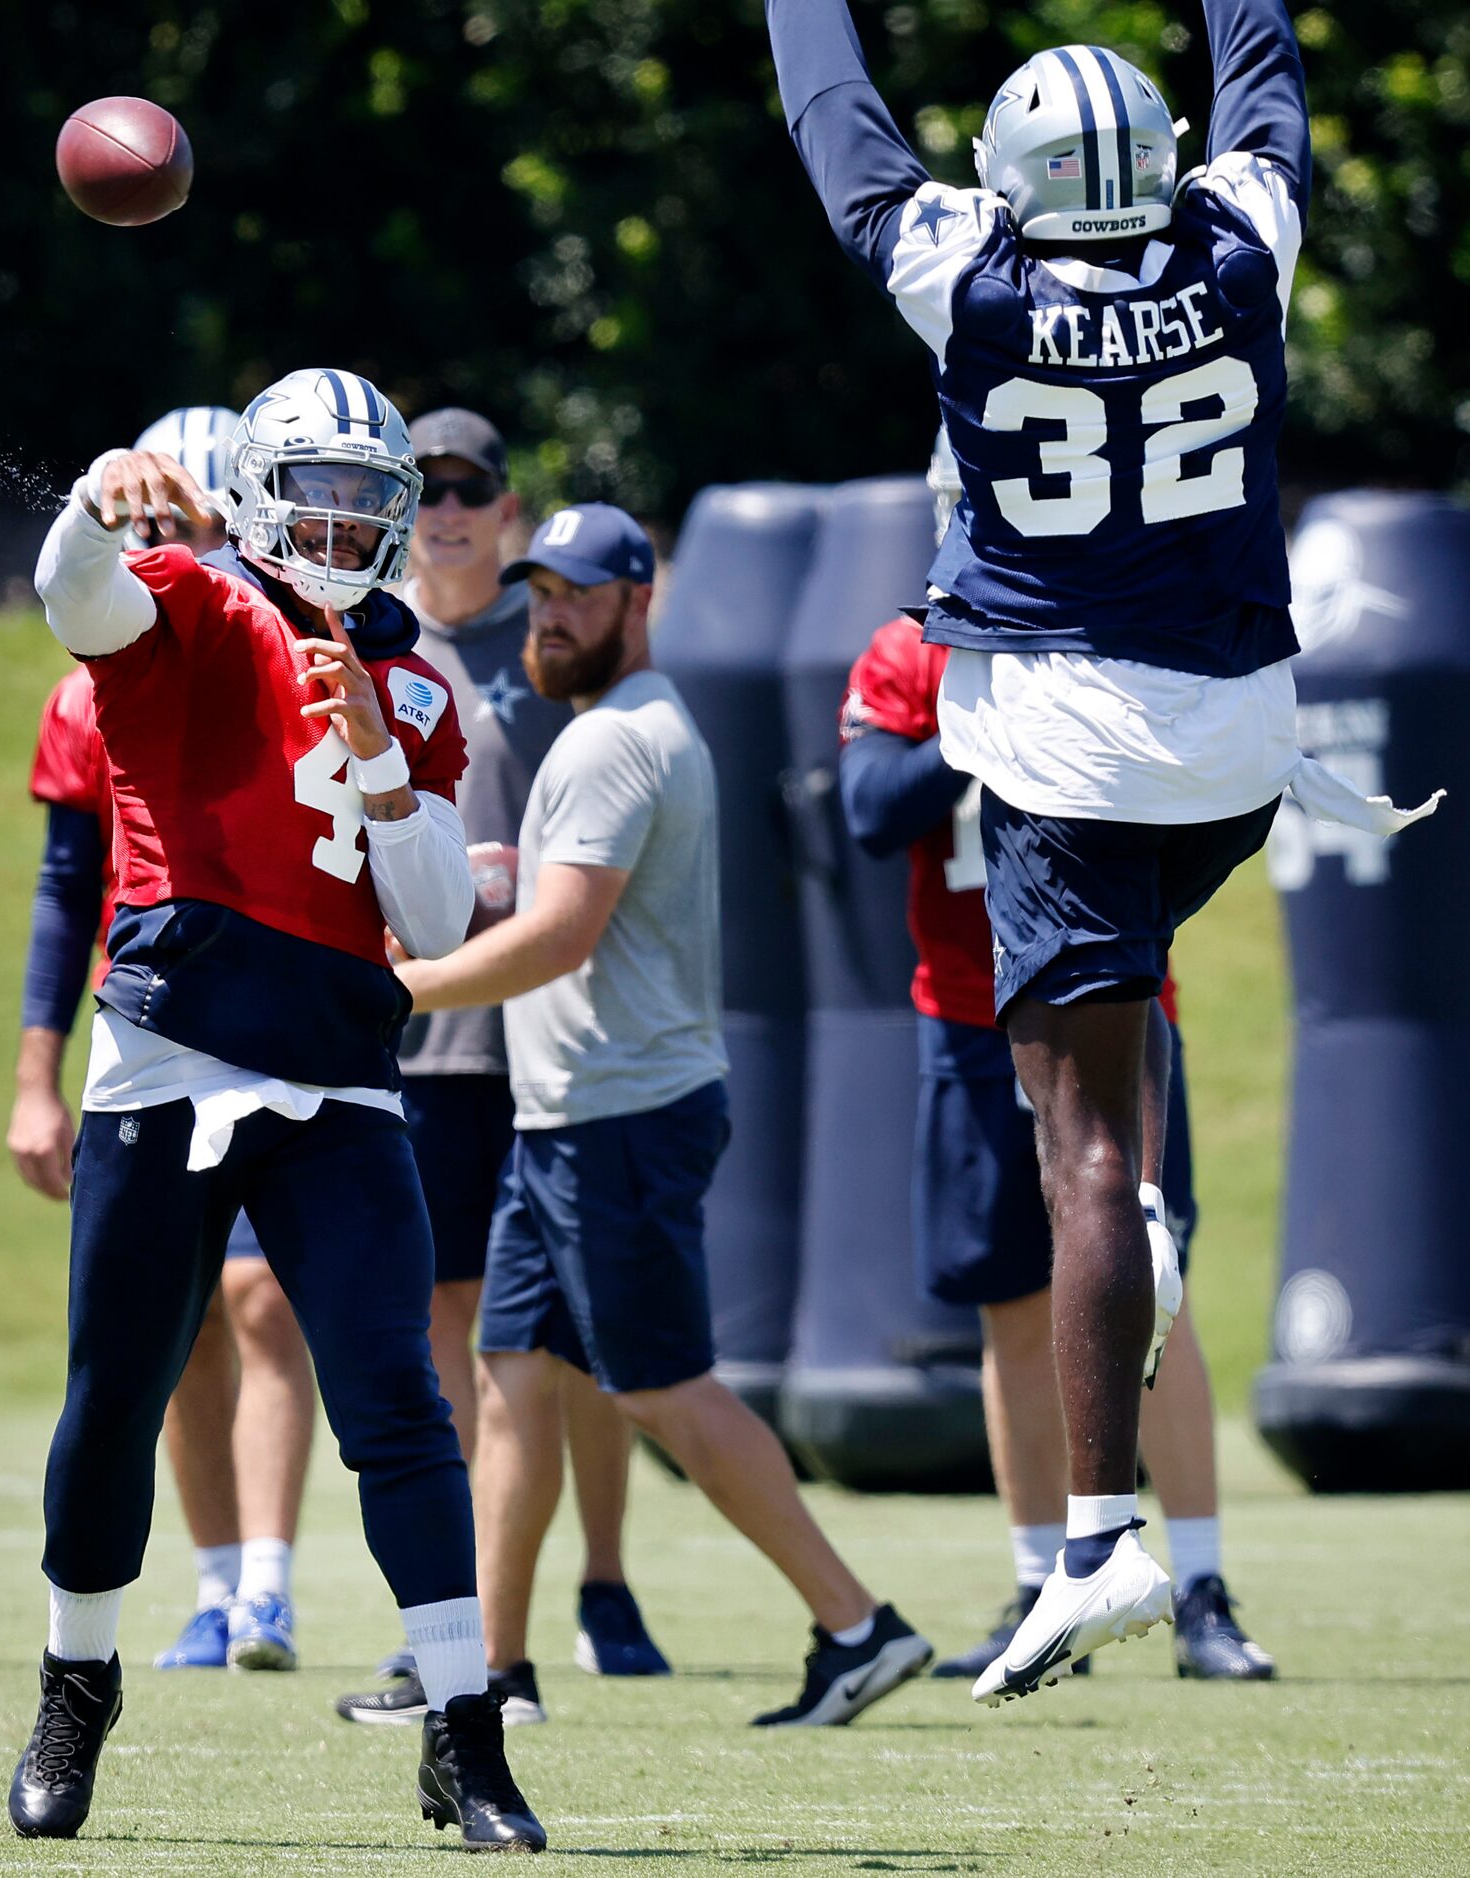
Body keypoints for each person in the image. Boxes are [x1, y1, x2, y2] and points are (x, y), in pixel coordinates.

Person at [768, 0, 1438, 1706]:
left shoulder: (965, 275)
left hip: (1064, 745)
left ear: (1013, 179)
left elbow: (837, 129)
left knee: (1072, 1148)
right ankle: (1138, 1232)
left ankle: (1091, 1541)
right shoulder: (1239, 246)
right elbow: (1268, 78)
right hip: (1234, 748)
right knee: (1118, 1107)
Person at [8, 368, 544, 1852]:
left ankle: (464, 1727)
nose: (340, 521)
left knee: (397, 1408)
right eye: (312, 492)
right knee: (115, 1395)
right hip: (171, 1056)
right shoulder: (184, 594)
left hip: (336, 1077)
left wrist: (377, 746)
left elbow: (432, 922)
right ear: (254, 495)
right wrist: (95, 489)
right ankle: (77, 1676)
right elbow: (74, 595)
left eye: (368, 500)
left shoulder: (417, 677)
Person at [395, 500, 933, 1727]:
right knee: (517, 1377)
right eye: (541, 592)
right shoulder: (613, 728)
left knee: (661, 1388)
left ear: (642, 604)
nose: (551, 613)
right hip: (572, 1114)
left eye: (580, 594)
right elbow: (553, 915)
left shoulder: (611, 741)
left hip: (615, 1119)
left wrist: (404, 986)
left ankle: (858, 1627)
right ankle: (490, 1671)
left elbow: (564, 935)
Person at [838, 437, 1275, 1683]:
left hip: (1113, 1002)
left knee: (1154, 1291)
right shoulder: (912, 649)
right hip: (970, 1013)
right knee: (1009, 1311)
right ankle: (1046, 1578)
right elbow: (869, 808)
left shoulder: (1116, 620)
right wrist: (989, 731)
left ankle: (1202, 1588)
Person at [335, 412, 667, 1730]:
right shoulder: (365, 637)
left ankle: (600, 1580)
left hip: (542, 1031)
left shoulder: (547, 644)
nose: (450, 514)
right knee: (450, 1338)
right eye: (429, 493)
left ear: (508, 506)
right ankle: (459, 1620)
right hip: (420, 1037)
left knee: (564, 1342)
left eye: (471, 490)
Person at [9, 406, 318, 1677]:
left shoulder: (291, 637)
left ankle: (270, 1587)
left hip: (285, 1017)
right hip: (154, 1033)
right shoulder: (93, 678)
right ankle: (209, 1581)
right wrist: (36, 1076)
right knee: (174, 1327)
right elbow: (63, 882)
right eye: (150, 519)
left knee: (261, 1301)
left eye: (185, 520)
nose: (167, 542)